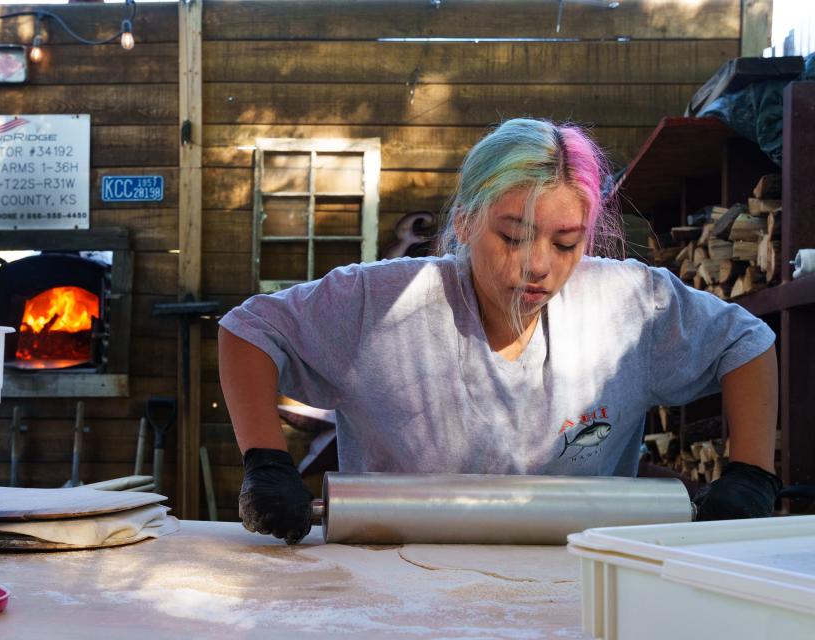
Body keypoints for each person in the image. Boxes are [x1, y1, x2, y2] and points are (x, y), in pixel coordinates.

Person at [218, 118, 781, 545]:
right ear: (464, 222)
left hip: (576, 573)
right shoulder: (379, 303)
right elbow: (249, 330)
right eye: (513, 237)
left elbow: (746, 341)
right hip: (390, 573)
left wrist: (751, 472)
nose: (539, 265)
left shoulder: (630, 306)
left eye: (566, 243)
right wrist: (265, 461)